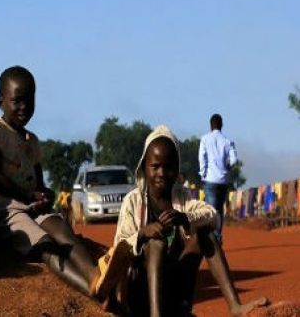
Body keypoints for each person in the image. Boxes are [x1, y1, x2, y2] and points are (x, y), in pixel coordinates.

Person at [0, 66, 132, 304]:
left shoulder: (32, 141)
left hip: (31, 205)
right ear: (1, 102)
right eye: (17, 101)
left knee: (62, 230)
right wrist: (27, 195)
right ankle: (91, 289)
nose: (24, 107)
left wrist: (44, 195)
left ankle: (96, 275)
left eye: (29, 100)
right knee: (46, 246)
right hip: (6, 211)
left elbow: (39, 183)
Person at [114, 125, 268, 316]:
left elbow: (211, 215)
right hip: (141, 295)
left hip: (174, 292)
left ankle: (235, 306)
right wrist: (142, 233)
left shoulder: (182, 197)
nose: (162, 173)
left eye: (169, 167)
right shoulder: (133, 201)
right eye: (155, 166)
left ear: (177, 169)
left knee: (206, 235)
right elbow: (118, 249)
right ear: (144, 167)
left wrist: (185, 218)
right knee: (156, 244)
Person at [199, 113, 237, 242]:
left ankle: (211, 240)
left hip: (210, 179)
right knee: (219, 210)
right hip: (223, 180)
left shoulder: (205, 139)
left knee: (211, 210)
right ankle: (218, 237)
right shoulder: (228, 141)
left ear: (210, 126)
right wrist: (227, 167)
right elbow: (234, 160)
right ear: (221, 125)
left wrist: (203, 173)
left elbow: (202, 158)